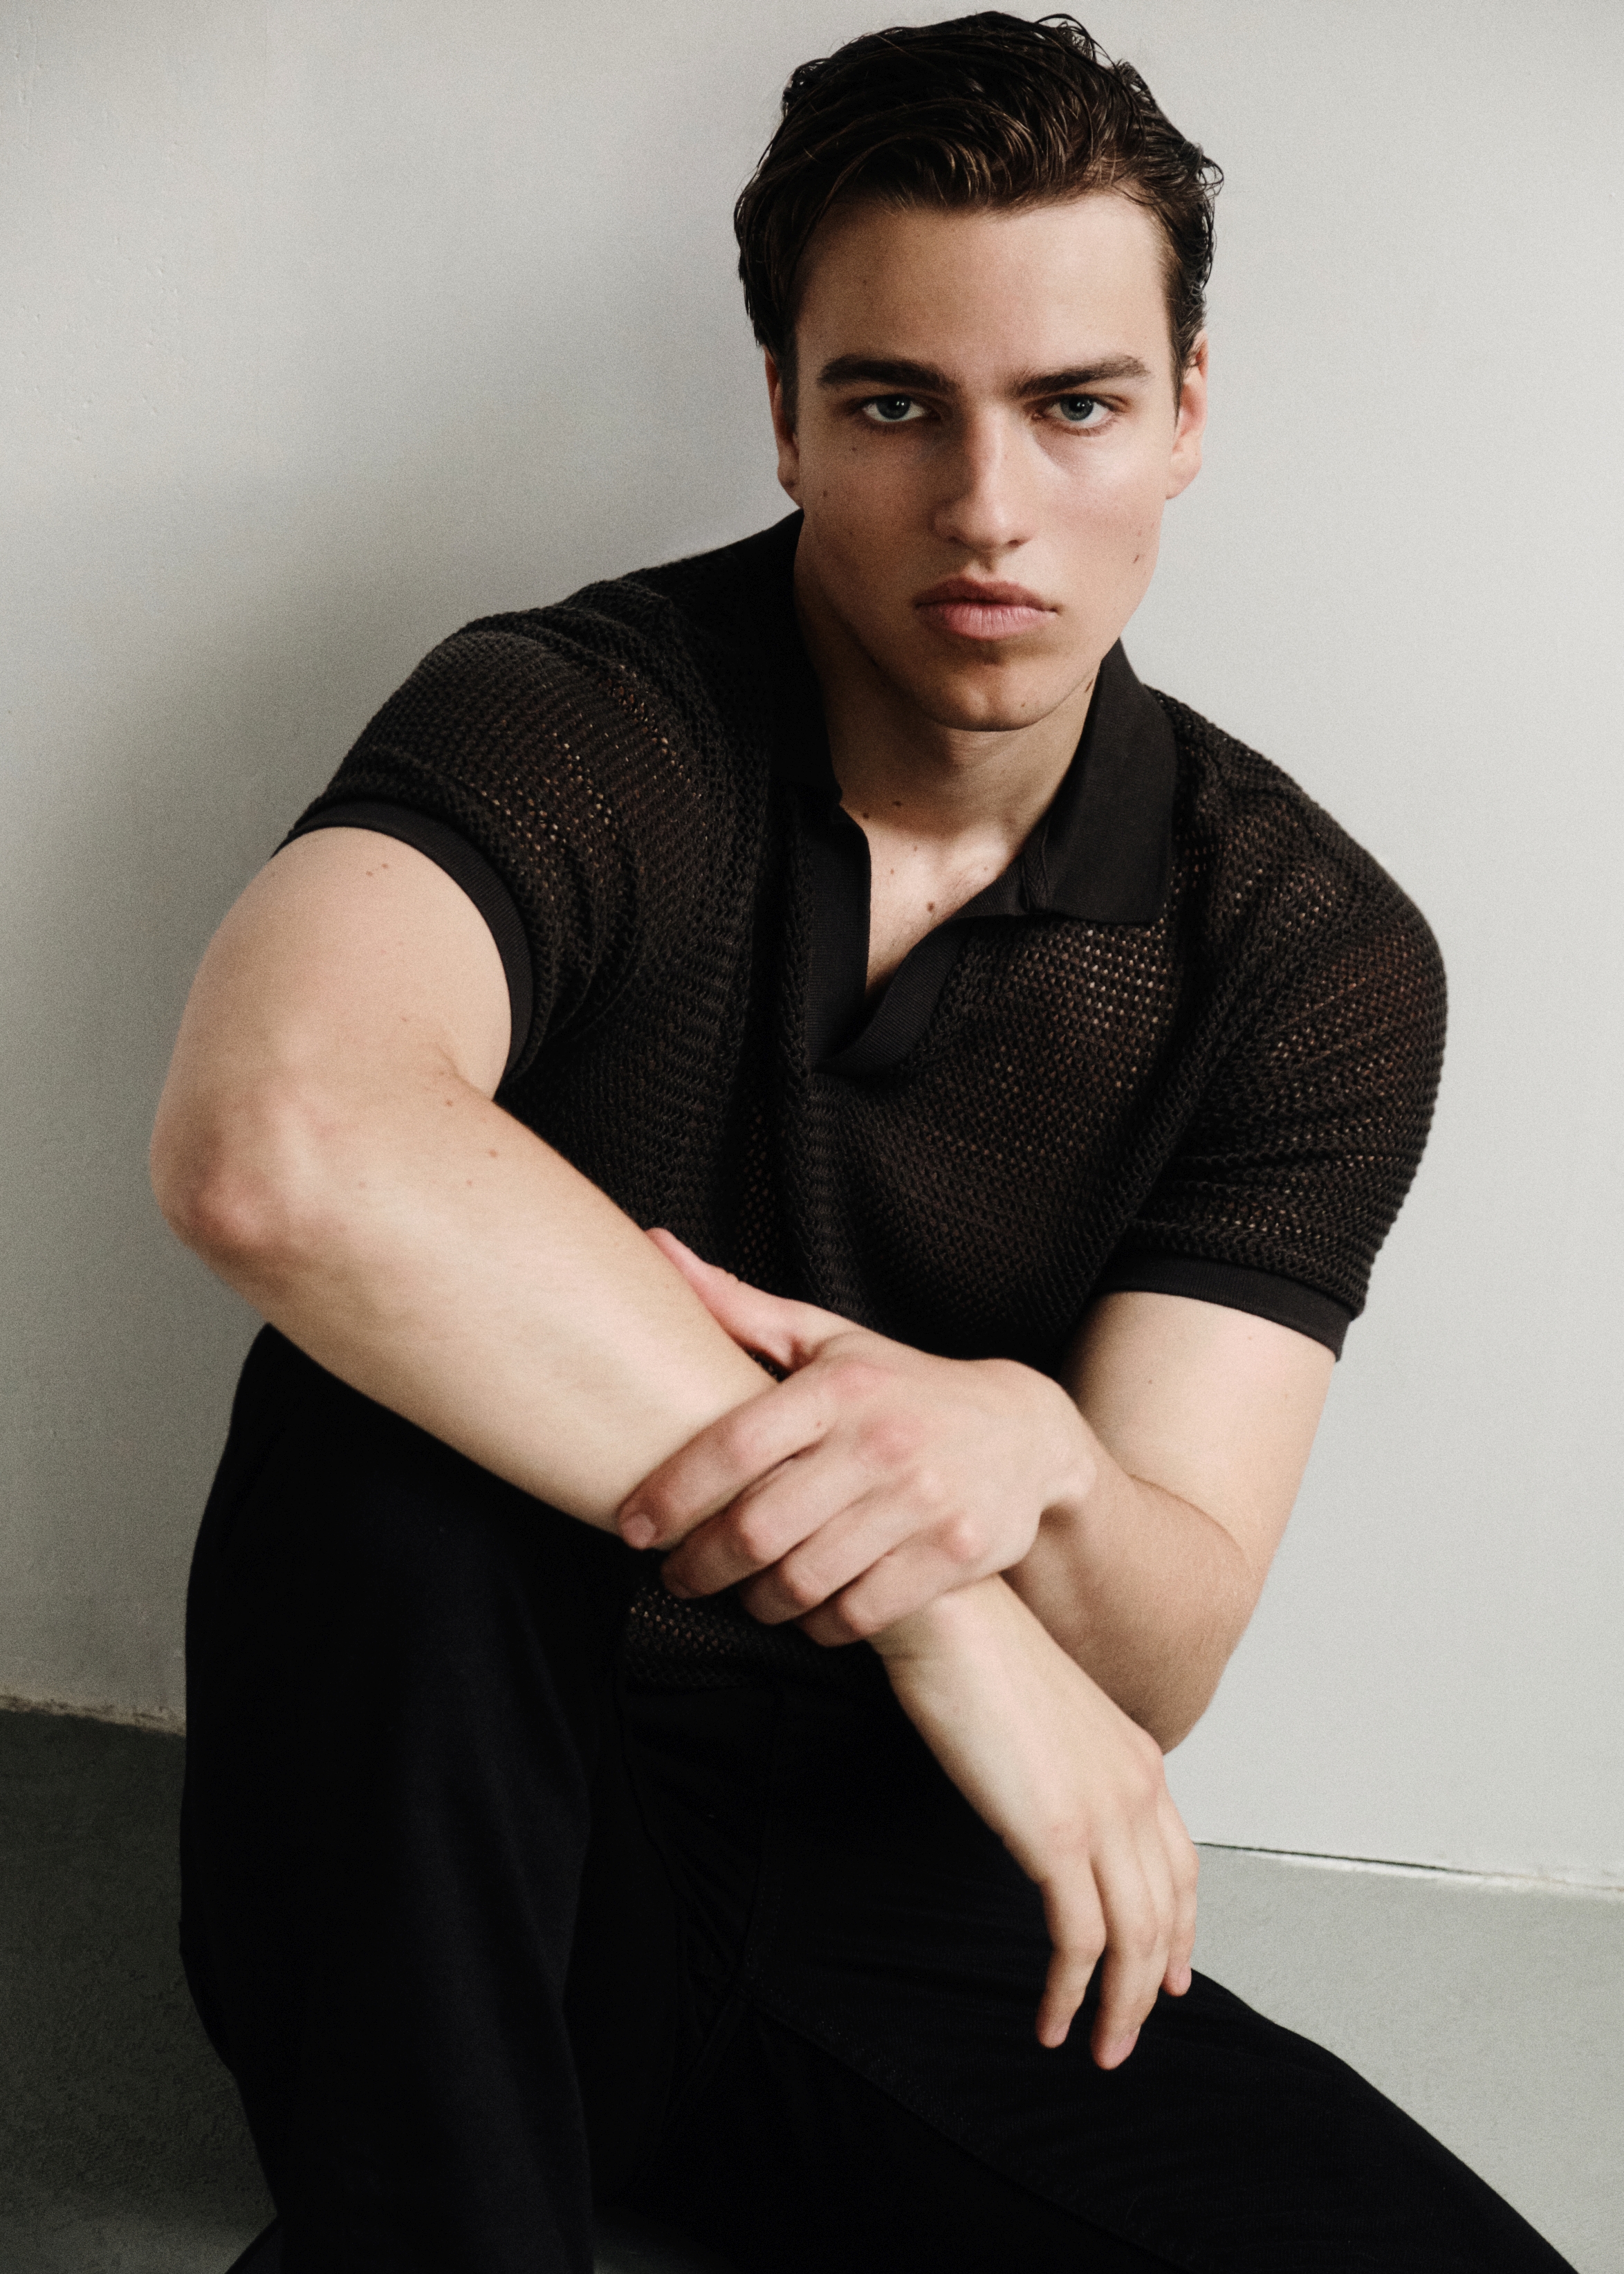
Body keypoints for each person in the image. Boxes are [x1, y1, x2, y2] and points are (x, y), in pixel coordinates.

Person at [151, 15, 1571, 2272]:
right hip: (451, 1840)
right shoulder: (578, 719)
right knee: (386, 1412)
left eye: (1073, 406)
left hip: (891, 1882)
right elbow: (280, 1145)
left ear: (1186, 413)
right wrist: (934, 1605)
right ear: (787, 414)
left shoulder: (1305, 949)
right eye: (897, 405)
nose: (989, 509)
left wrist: (1037, 1457)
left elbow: (1150, 1664)